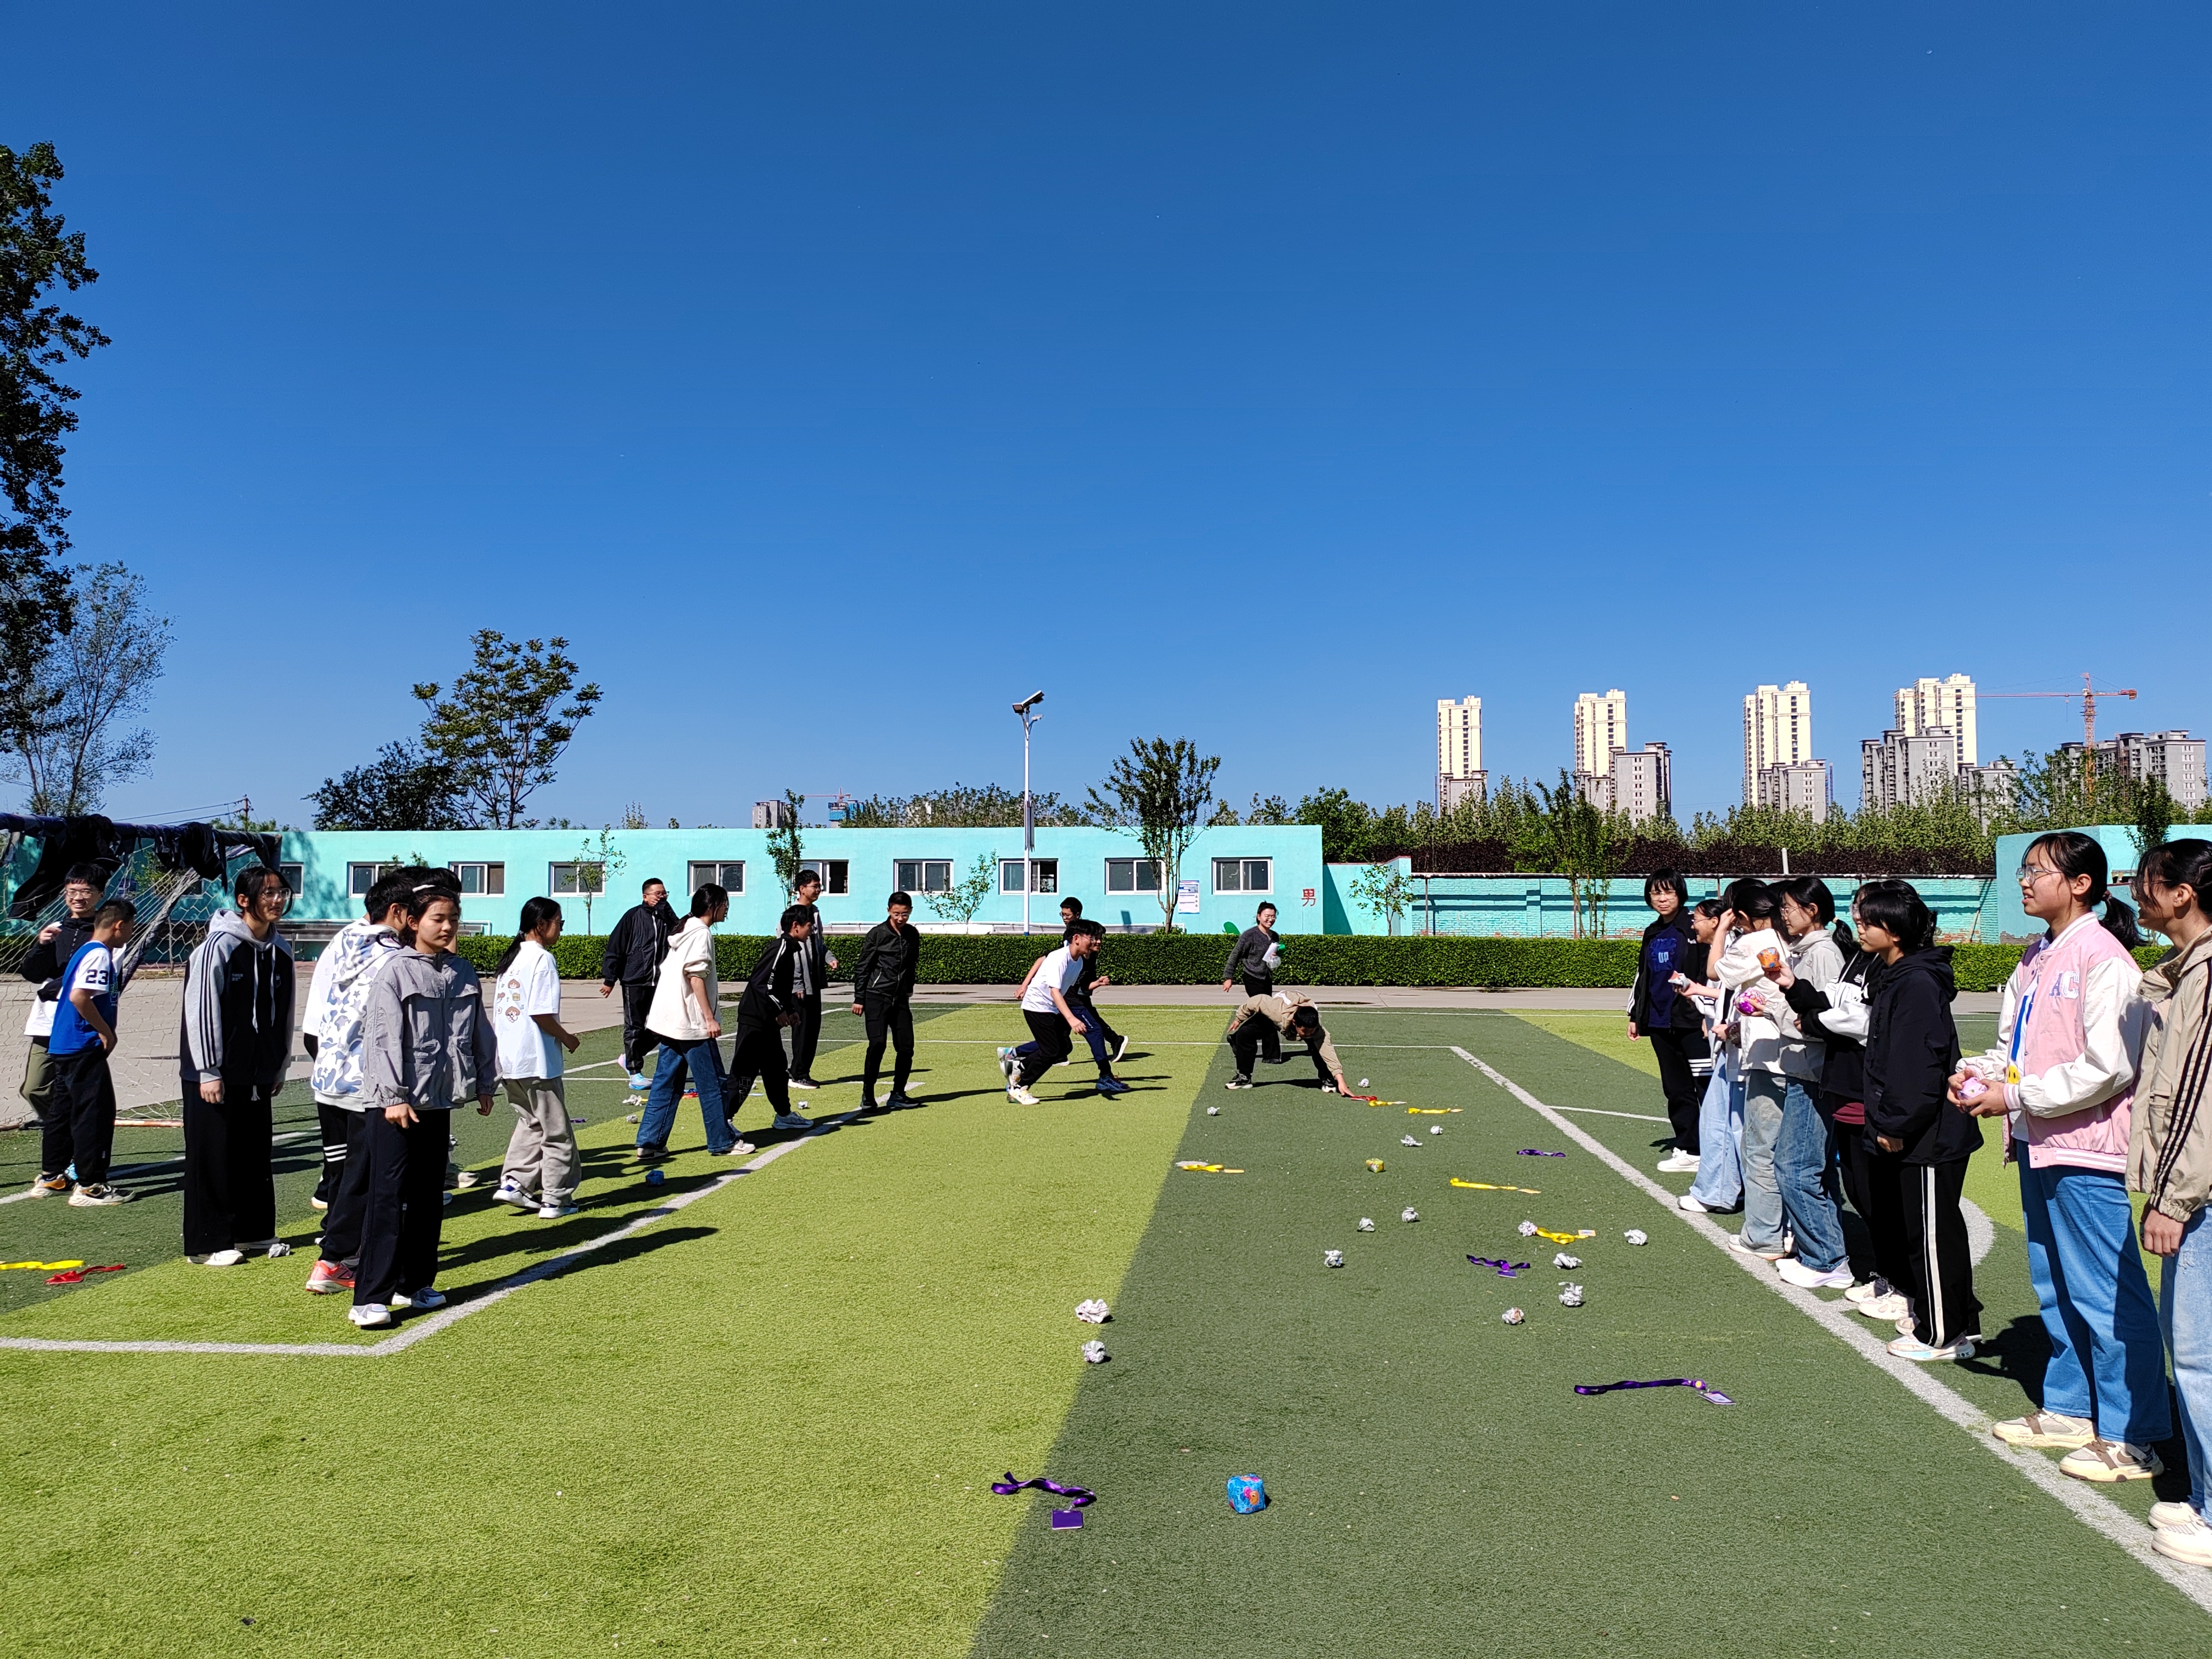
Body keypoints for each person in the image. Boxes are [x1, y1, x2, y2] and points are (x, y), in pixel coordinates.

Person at [1953, 832, 2168, 1473]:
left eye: (2037, 871)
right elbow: (2014, 1047)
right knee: (2056, 1284)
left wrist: (2015, 1097)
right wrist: (1980, 1074)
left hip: (2086, 1148)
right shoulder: (2036, 956)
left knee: (2107, 1293)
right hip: (2040, 1140)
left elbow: (2107, 1068)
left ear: (2080, 884)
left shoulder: (2103, 959)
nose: (2024, 881)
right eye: (2023, 870)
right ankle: (2072, 1406)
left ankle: (2135, 1434)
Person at [351, 881, 497, 1328]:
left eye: (453, 919)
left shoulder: (462, 972)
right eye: (438, 918)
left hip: (438, 1101)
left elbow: (480, 1030)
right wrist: (394, 1096)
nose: (448, 926)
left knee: (429, 1197)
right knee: (388, 1197)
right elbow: (382, 1038)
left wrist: (486, 1082)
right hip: (394, 1105)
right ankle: (370, 1297)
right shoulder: (394, 972)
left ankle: (416, 1284)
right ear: (413, 922)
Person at [2126, 840, 2212, 1561]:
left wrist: (2173, 1200)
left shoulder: (2207, 974)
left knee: (2199, 1357)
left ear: (2182, 893)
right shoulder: (2187, 972)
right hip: (2196, 1189)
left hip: (2201, 1193)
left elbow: (2196, 1100)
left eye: (2148, 880)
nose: (2136, 891)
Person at [1859, 878, 1980, 1363]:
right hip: (1916, 1128)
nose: (1860, 927)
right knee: (1925, 1229)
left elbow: (1918, 1065)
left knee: (1931, 1233)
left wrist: (1894, 1125)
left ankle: (1943, 1333)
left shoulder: (1916, 983)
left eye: (1870, 921)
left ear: (1895, 931)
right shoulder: (1896, 975)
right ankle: (1954, 1318)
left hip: (1929, 1134)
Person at [1770, 892, 1905, 1315]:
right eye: (1858, 912)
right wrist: (1794, 989)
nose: (1858, 921)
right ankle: (1885, 1276)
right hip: (1842, 1086)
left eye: (1867, 915)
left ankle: (1889, 1281)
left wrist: (1811, 1020)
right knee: (1860, 1190)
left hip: (1863, 1090)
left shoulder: (1901, 970)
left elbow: (1861, 1021)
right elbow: (1834, 1004)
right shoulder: (1859, 959)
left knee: (1878, 1195)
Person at [301, 868, 421, 1295]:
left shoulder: (347, 941)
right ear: (398, 913)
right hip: (366, 1082)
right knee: (368, 1177)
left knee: (347, 1173)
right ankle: (336, 1259)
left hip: (330, 1074)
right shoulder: (395, 957)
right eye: (420, 913)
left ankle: (343, 1255)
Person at [180, 864, 297, 1267]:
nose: (277, 900)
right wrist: (208, 1069)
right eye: (268, 893)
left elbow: (285, 1012)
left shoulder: (281, 950)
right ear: (244, 901)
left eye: (281, 892)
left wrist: (279, 1065)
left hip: (258, 1072)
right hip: (214, 1072)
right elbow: (201, 1009)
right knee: (213, 1154)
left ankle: (254, 1232)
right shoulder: (218, 946)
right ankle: (208, 1243)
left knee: (254, 1152)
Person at [1763, 876, 1852, 1290]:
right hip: (1804, 1069)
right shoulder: (1806, 952)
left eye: (1788, 907)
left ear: (1812, 910)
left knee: (1795, 1167)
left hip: (1814, 1072)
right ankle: (1821, 1249)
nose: (1782, 915)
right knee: (1813, 1168)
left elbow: (1822, 1019)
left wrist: (1776, 1013)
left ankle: (1826, 1258)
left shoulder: (1823, 954)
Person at [31, 898, 136, 1206]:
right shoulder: (99, 954)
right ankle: (91, 1185)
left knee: (62, 1111)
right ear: (119, 926)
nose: (131, 933)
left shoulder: (85, 951)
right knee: (95, 1112)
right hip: (82, 1045)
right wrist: (105, 1031)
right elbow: (80, 997)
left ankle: (52, 1175)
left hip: (65, 1044)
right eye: (131, 927)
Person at [635, 884, 750, 1158]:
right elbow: (695, 976)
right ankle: (721, 1141)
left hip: (670, 1021)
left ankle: (650, 1143)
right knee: (713, 1083)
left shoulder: (685, 929)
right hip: (691, 1023)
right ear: (713, 906)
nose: (727, 910)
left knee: (666, 1083)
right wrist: (709, 1018)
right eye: (725, 905)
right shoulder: (701, 933)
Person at [1709, 881, 1791, 1257]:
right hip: (1798, 1054)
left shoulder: (1753, 941)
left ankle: (1763, 1235)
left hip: (1766, 1054)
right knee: (1794, 1154)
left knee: (1761, 1150)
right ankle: (1790, 1230)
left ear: (1742, 915)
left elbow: (1714, 971)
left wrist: (1722, 930)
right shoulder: (1793, 940)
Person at [491, 897, 583, 1219]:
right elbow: (541, 1013)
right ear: (541, 925)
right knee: (556, 1131)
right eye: (559, 923)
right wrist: (567, 1037)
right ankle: (557, 1197)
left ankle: (515, 1182)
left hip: (510, 1061)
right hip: (536, 1060)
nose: (561, 929)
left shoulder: (512, 958)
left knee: (531, 1122)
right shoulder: (542, 959)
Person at [1628, 870, 1709, 1171]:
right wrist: (1636, 1016)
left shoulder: (1694, 927)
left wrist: (1706, 1012)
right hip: (1660, 1020)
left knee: (1706, 1086)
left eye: (1669, 892)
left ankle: (1716, 1148)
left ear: (1680, 894)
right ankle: (1689, 1148)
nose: (1662, 899)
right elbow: (1643, 976)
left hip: (1693, 1020)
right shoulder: (1652, 932)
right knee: (1676, 1089)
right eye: (1656, 893)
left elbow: (1710, 971)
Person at [17, 864, 105, 1130]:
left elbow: (110, 981)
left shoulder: (105, 931)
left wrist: (62, 986)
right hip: (48, 1021)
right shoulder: (55, 928)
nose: (78, 897)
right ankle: (64, 1126)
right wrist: (42, 945)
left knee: (78, 1087)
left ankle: (80, 1135)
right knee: (34, 1088)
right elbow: (32, 975)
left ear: (100, 894)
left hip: (83, 1021)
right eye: (72, 892)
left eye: (86, 891)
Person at [725, 906, 817, 1132]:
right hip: (755, 1019)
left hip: (768, 1022)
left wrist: (789, 1009)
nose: (812, 931)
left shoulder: (791, 949)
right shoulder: (780, 948)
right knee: (745, 1071)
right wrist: (780, 1010)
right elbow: (761, 984)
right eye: (809, 926)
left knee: (776, 1068)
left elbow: (778, 987)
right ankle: (724, 1121)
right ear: (796, 927)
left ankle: (783, 1115)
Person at [999, 925, 1108, 1104]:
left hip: (1051, 1008)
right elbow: (1055, 992)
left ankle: (1019, 1066)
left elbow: (1067, 991)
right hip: (1037, 1007)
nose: (1095, 942)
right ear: (1077, 939)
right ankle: (1018, 1089)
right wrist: (1072, 1019)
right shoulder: (1059, 958)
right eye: (1091, 938)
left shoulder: (1078, 962)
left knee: (1064, 1047)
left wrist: (1094, 986)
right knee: (1051, 1051)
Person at [599, 877, 680, 1091]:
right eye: (657, 894)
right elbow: (616, 946)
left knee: (662, 1026)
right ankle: (635, 1073)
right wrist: (610, 979)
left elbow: (680, 933)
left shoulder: (666, 917)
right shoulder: (633, 916)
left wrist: (666, 909)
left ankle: (629, 1058)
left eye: (664, 893)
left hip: (660, 981)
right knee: (634, 1027)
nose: (661, 897)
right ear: (645, 896)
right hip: (634, 981)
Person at [849, 889, 922, 1111]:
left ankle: (898, 1094)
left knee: (906, 1047)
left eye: (905, 914)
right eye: (896, 914)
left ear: (910, 912)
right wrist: (859, 998)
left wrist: (908, 989)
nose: (901, 918)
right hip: (876, 997)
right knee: (878, 1044)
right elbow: (863, 967)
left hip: (900, 1000)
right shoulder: (877, 934)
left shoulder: (912, 934)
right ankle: (868, 1094)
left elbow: (912, 964)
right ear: (889, 911)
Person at [1223, 988, 1352, 1094]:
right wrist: (1239, 1019)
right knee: (1244, 1033)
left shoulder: (1316, 1029)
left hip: (1299, 1007)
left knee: (1317, 1046)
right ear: (1295, 1023)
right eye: (1305, 1031)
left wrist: (1341, 1081)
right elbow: (1256, 1001)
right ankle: (1244, 1077)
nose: (1308, 1034)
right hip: (1281, 1011)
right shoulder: (1275, 1010)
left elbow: (1328, 1051)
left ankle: (1327, 1079)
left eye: (1311, 1031)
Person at [1061, 897, 1128, 1069]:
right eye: (1062, 914)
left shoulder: (1084, 933)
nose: (1065, 918)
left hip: (1078, 984)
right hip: (1074, 983)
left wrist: (1091, 982)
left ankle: (1113, 1043)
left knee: (1084, 1017)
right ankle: (1061, 1051)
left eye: (1068, 915)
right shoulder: (1071, 932)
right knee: (1070, 1014)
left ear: (1077, 915)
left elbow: (1084, 962)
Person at [786, 869, 839, 1091]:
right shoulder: (792, 915)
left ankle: (802, 1072)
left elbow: (819, 944)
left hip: (814, 983)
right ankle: (797, 1074)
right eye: (815, 886)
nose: (818, 890)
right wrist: (797, 982)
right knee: (803, 1031)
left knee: (813, 1029)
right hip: (800, 986)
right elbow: (789, 951)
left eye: (819, 886)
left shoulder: (815, 913)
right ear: (802, 889)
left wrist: (829, 958)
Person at [1222, 903, 1286, 1064]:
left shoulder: (1275, 936)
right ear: (1259, 916)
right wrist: (1228, 977)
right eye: (1267, 916)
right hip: (1252, 978)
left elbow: (1272, 957)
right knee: (1267, 1012)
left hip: (1267, 978)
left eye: (1273, 917)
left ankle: (1239, 1039)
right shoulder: (1249, 935)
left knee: (1266, 1014)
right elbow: (1235, 955)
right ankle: (1270, 1054)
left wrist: (1276, 957)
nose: (1270, 919)